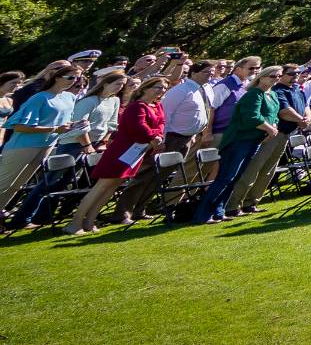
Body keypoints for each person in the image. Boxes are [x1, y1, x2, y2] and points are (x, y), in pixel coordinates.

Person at [72, 76, 167, 233]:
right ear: (145, 88)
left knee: (112, 187)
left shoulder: (157, 106)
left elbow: (161, 123)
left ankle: (89, 221)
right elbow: (138, 128)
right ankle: (75, 223)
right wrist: (153, 137)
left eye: (164, 88)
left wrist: (157, 136)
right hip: (121, 152)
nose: (161, 90)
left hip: (137, 152)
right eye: (158, 87)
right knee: (102, 186)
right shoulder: (137, 106)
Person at [198, 68, 282, 222]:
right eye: (272, 76)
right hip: (239, 140)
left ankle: (219, 211)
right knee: (226, 176)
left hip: (254, 140)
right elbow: (252, 117)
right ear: (262, 77)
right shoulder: (254, 94)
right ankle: (203, 214)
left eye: (279, 76)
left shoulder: (272, 94)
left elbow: (273, 115)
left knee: (235, 177)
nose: (276, 78)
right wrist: (269, 129)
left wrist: (273, 127)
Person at [0, 65, 80, 209]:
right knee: (4, 183)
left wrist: (75, 125)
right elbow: (19, 126)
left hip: (47, 146)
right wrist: (54, 129)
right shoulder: (40, 97)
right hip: (23, 146)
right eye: (70, 77)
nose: (74, 81)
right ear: (57, 77)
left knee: (17, 185)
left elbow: (63, 123)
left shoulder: (70, 97)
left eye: (77, 78)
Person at [160, 60, 217, 168]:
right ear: (194, 73)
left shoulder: (207, 89)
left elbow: (204, 111)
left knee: (169, 170)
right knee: (156, 171)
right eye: (206, 72)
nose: (210, 75)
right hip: (172, 138)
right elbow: (165, 114)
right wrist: (162, 139)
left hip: (188, 138)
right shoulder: (181, 90)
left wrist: (193, 134)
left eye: (212, 73)